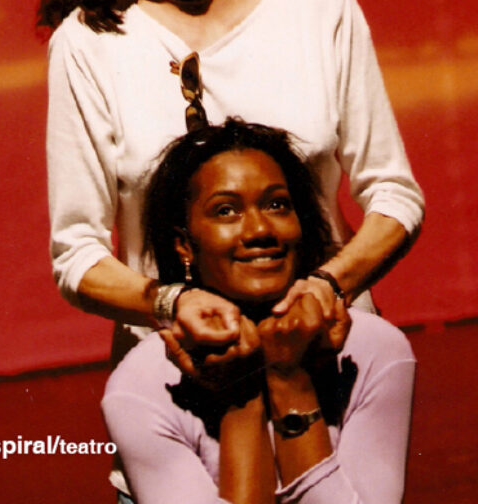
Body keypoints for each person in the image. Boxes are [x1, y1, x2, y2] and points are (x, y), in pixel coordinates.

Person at [38, 0, 423, 494]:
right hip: (184, 384)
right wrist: (171, 303)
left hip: (330, 360)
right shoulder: (88, 43)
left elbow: (394, 194)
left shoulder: (318, 2)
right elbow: (77, 252)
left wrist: (326, 286)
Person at [103, 118, 416, 504]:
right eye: (226, 211)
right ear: (184, 245)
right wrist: (241, 399)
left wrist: (290, 380)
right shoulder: (143, 384)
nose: (259, 230)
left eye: (277, 204)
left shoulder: (373, 350)